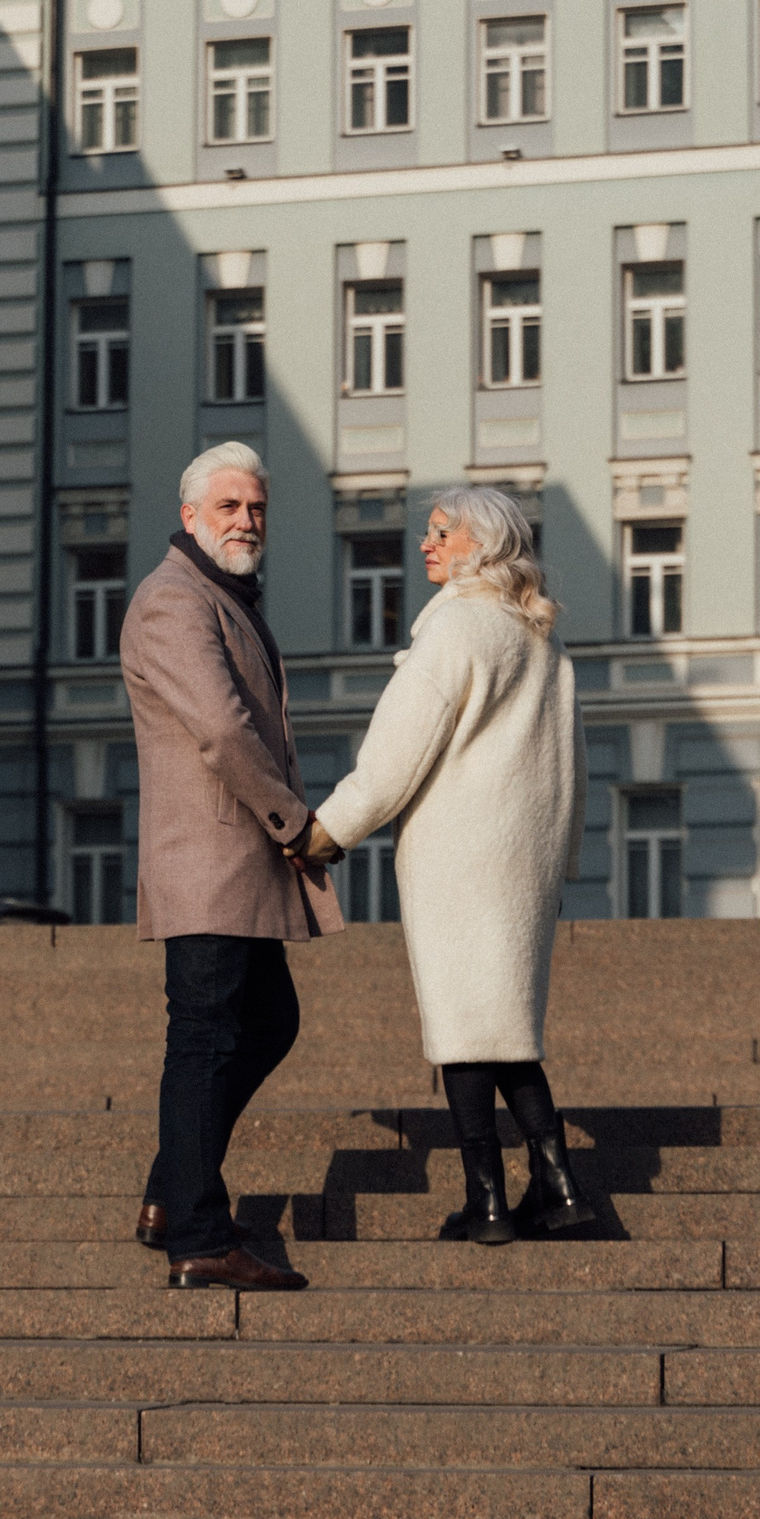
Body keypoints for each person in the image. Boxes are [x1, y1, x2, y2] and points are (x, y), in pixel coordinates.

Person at [304, 486, 595, 1245]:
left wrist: (328, 829)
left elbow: (396, 752)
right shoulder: (540, 635)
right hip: (521, 861)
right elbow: (574, 764)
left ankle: (487, 1200)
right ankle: (559, 1185)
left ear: (485, 544)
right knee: (507, 1028)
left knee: (463, 1027)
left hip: (459, 858)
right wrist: (560, 860)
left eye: (442, 533)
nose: (427, 544)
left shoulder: (456, 628)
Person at [119, 441, 340, 1290]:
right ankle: (201, 1238)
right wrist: (293, 819)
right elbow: (219, 726)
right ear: (189, 516)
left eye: (256, 509)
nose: (247, 521)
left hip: (235, 868)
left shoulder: (220, 595)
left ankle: (172, 1190)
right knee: (207, 1040)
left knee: (270, 1020)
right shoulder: (174, 599)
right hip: (210, 864)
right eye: (228, 508)